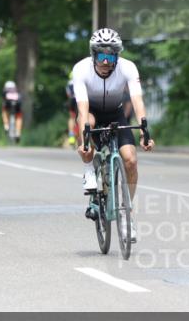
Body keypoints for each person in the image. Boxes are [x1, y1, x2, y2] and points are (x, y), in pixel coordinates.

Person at [72, 28, 155, 242]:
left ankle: (127, 213)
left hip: (116, 113)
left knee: (130, 159)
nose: (106, 62)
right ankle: (89, 169)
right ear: (94, 54)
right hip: (91, 112)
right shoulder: (81, 69)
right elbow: (82, 108)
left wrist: (144, 129)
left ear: (117, 55)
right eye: (102, 56)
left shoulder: (128, 67)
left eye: (111, 56)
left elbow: (137, 101)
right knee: (86, 124)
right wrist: (85, 138)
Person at [65, 70, 78, 146]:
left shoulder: (69, 84)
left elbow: (68, 94)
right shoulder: (81, 80)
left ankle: (71, 135)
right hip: (80, 100)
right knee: (82, 117)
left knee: (72, 117)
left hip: (72, 100)